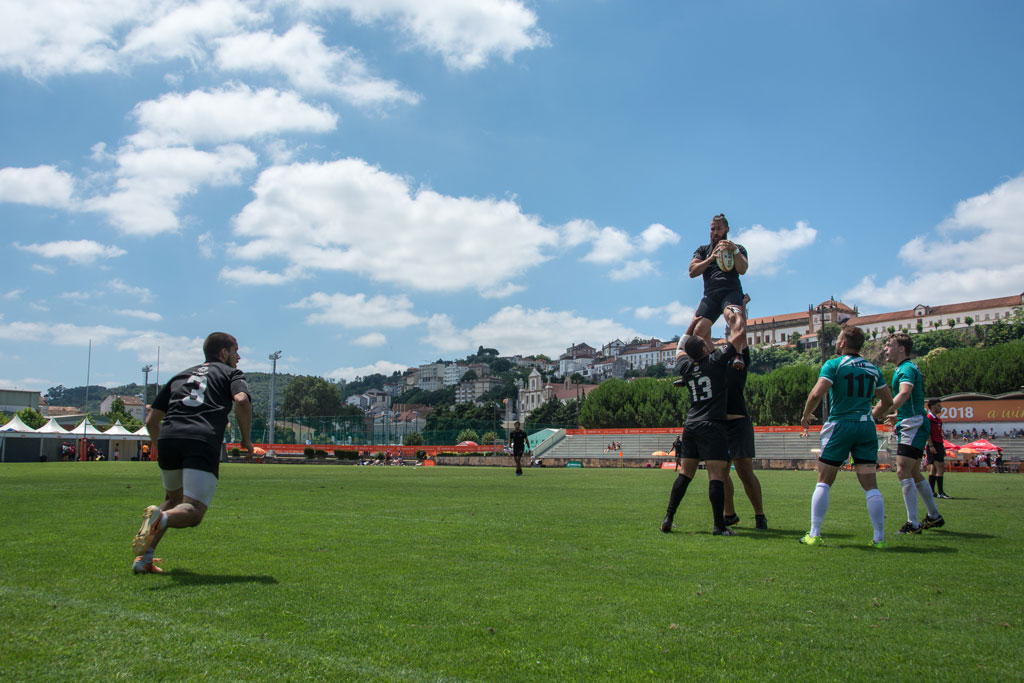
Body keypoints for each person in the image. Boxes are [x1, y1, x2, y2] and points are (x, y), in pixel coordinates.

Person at [130, 332, 253, 574]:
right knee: (193, 510)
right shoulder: (232, 374)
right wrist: (246, 440)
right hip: (201, 437)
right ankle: (160, 519)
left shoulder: (181, 375)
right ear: (224, 353)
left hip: (168, 437)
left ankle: (144, 559)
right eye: (235, 350)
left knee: (172, 499)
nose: (238, 357)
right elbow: (241, 400)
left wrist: (161, 448)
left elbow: (151, 419)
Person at [798, 325, 894, 548]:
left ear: (842, 343)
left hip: (840, 425)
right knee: (870, 484)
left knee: (824, 481)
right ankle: (879, 538)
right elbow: (888, 401)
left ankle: (814, 534)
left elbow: (817, 393)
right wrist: (872, 415)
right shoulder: (873, 369)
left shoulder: (834, 365)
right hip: (865, 427)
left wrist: (806, 414)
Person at [661, 305, 746, 535]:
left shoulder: (686, 367)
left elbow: (680, 346)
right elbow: (739, 336)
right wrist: (738, 315)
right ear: (704, 348)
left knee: (685, 474)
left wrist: (692, 324)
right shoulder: (716, 361)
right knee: (716, 476)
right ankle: (719, 525)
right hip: (712, 424)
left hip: (691, 425)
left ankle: (668, 517)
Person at [884, 333, 944, 534]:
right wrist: (898, 415)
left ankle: (913, 524)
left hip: (913, 424)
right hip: (911, 421)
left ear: (901, 348)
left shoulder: (906, 369)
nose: (885, 349)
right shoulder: (907, 367)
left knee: (903, 471)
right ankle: (934, 516)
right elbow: (911, 400)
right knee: (914, 472)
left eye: (889, 345)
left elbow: (905, 393)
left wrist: (885, 409)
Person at [682, 213, 749, 368]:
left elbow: (743, 269)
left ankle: (738, 355)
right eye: (712, 229)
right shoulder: (703, 250)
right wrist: (711, 258)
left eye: (718, 229)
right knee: (698, 330)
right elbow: (692, 271)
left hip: (730, 291)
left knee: (734, 317)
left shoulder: (738, 248)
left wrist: (735, 251)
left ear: (726, 229)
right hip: (711, 295)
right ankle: (709, 363)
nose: (715, 232)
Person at [721, 343, 768, 530]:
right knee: (721, 473)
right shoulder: (716, 363)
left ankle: (760, 515)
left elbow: (741, 336)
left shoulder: (739, 363)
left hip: (739, 422)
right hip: (720, 424)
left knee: (745, 472)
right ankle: (729, 514)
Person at [925, 399, 951, 498]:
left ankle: (931, 492)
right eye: (938, 406)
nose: (941, 408)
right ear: (932, 407)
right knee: (941, 467)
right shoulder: (928, 418)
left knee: (934, 469)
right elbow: (928, 433)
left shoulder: (938, 420)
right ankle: (941, 492)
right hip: (934, 445)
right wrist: (931, 446)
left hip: (939, 444)